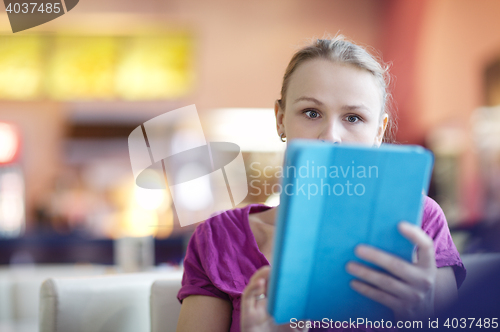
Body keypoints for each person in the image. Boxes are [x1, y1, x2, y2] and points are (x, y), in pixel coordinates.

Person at [176, 35, 466, 332]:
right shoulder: (218, 238)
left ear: (378, 133)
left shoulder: (420, 220)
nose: (331, 136)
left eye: (353, 118)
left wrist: (422, 319)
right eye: (311, 113)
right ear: (280, 119)